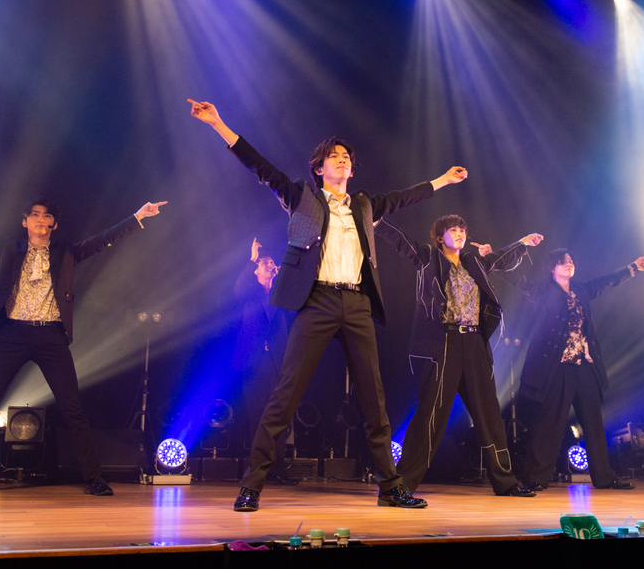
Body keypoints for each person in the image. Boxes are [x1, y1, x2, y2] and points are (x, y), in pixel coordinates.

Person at [186, 99, 467, 512]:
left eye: (346, 157)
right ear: (319, 168)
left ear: (352, 169)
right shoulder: (302, 197)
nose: (342, 160)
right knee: (285, 394)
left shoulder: (364, 205)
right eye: (333, 156)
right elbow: (261, 167)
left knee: (373, 399)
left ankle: (390, 487)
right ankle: (252, 486)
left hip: (356, 302)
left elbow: (404, 198)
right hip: (317, 301)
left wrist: (442, 180)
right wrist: (218, 123)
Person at [0, 168, 166, 497]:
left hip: (51, 338)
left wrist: (138, 216)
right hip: (12, 335)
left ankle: (93, 477)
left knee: (72, 409)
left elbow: (103, 240)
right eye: (34, 214)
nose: (40, 219)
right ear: (25, 221)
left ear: (54, 224)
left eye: (47, 216)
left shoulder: (66, 253)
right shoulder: (9, 249)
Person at [375, 215, 543, 498]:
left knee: (489, 414)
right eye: (453, 230)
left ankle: (505, 481)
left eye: (463, 230)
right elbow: (402, 242)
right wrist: (378, 222)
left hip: (475, 342)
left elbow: (500, 259)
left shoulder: (473, 261)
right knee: (430, 416)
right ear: (439, 237)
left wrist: (523, 243)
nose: (460, 233)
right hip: (445, 342)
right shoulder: (428, 258)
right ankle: (401, 485)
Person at [517, 248, 644, 491]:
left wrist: (632, 268)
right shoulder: (543, 290)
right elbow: (519, 282)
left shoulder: (580, 290)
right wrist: (502, 254)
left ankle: (604, 477)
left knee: (593, 422)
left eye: (570, 261)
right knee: (550, 422)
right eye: (563, 262)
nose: (569, 264)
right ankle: (534, 477)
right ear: (552, 267)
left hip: (584, 364)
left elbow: (605, 281)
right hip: (557, 366)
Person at [230, 238, 295, 484]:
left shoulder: (280, 295)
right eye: (265, 262)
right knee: (257, 417)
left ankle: (278, 469)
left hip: (278, 364)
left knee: (279, 417)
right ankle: (257, 469)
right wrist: (252, 259)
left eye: (272, 262)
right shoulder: (249, 293)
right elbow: (238, 288)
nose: (270, 265)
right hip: (253, 364)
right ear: (256, 270)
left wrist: (286, 265)